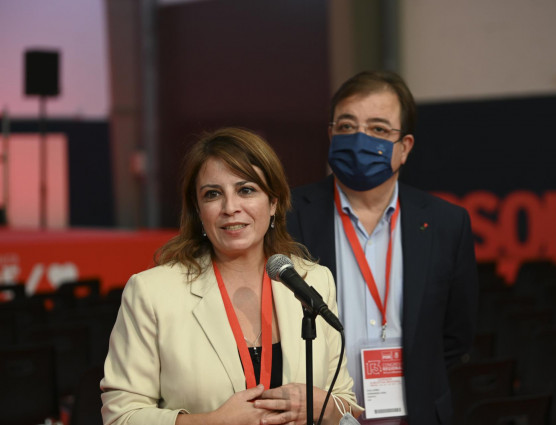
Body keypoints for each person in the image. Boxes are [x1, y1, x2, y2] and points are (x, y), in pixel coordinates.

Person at [101, 127, 362, 425]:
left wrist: (326, 409)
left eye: (246, 190)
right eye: (213, 194)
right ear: (198, 210)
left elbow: (346, 403)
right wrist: (212, 422)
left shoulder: (311, 280)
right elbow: (121, 416)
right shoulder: (152, 292)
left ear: (274, 202)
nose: (230, 208)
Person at [286, 71, 479, 424]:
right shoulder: (287, 215)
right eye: (346, 126)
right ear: (330, 135)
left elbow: (456, 335)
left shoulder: (445, 223)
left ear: (404, 147)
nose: (360, 139)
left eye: (378, 129)